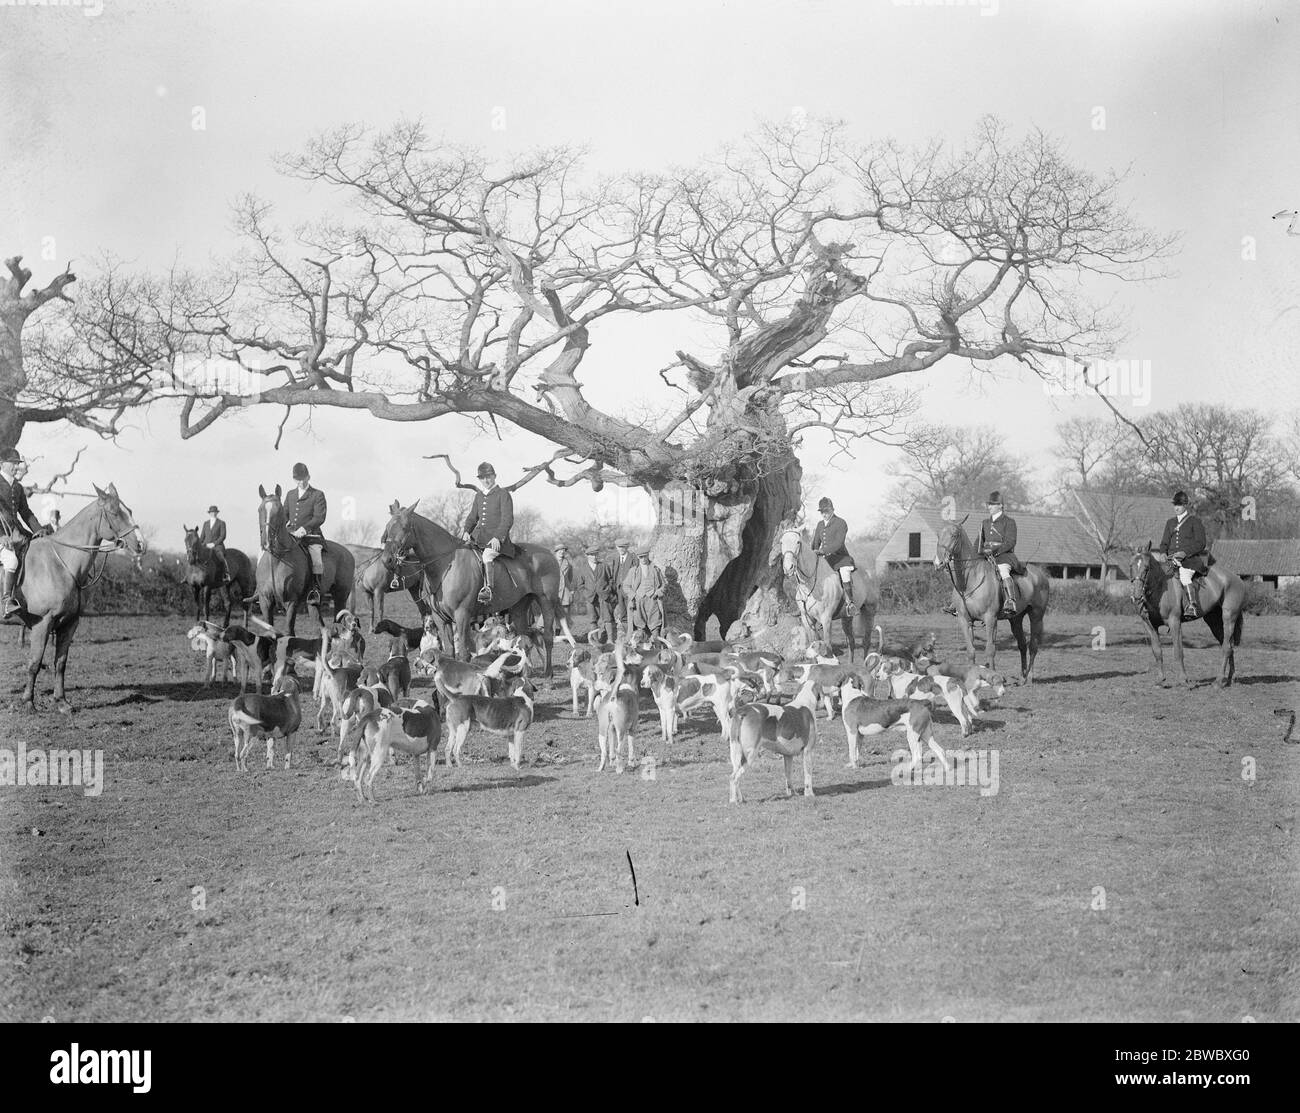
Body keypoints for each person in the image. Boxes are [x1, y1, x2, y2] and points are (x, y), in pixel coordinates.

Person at [461, 462, 515, 605]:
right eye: (482, 478)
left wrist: (498, 537)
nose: (486, 480)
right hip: (479, 537)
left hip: (498, 540)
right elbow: (473, 517)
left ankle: (488, 589)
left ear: (494, 476)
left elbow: (507, 519)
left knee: (486, 556)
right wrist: (466, 531)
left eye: (488, 477)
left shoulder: (503, 494)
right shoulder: (479, 496)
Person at [0, 448, 45, 617]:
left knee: (38, 550)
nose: (16, 466)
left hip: (16, 532)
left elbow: (25, 512)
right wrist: (1, 536)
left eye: (17, 463)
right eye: (12, 463)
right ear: (2, 464)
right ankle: (6, 602)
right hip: (2, 535)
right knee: (11, 560)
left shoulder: (17, 487)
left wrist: (39, 530)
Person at [1155, 490, 1208, 619]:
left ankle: (1192, 606)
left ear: (1185, 506)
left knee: (1184, 577)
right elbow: (1164, 543)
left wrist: (1185, 553)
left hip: (1189, 560)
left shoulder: (1194, 521)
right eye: (1175, 505)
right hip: (1171, 560)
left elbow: (1201, 543)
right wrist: (1162, 553)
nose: (1176, 507)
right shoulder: (1170, 523)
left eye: (1179, 505)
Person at [284, 462, 327, 604]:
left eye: (303, 479)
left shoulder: (317, 494)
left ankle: (315, 590)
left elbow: (319, 517)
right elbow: (285, 514)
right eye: (297, 479)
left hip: (311, 536)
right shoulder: (290, 494)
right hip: (291, 536)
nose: (301, 482)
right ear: (293, 479)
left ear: (309, 477)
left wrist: (304, 528)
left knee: (316, 560)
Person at [974, 491, 1023, 615]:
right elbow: (978, 543)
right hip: (986, 556)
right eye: (988, 504)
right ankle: (960, 603)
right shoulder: (985, 523)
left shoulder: (1009, 522)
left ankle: (1010, 601)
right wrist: (973, 554)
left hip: (1004, 556)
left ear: (1000, 505)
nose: (989, 507)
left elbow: (1010, 542)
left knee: (1003, 571)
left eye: (992, 504)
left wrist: (994, 552)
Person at [811, 497, 856, 607]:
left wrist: (823, 551)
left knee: (845, 573)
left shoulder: (841, 523)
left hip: (840, 558)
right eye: (822, 512)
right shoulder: (820, 525)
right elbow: (816, 542)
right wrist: (812, 553)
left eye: (826, 511)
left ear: (832, 510)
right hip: (825, 560)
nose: (824, 514)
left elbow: (838, 543)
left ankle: (850, 603)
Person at [628, 546, 666, 638]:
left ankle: (657, 647)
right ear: (638, 558)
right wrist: (633, 595)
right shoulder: (633, 571)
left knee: (655, 624)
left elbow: (663, 586)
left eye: (645, 556)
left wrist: (657, 592)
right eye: (641, 557)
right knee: (639, 624)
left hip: (653, 601)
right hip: (638, 602)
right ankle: (642, 648)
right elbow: (626, 586)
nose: (643, 559)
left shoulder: (656, 570)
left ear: (648, 556)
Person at [591, 544, 619, 645]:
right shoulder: (587, 567)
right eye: (592, 555)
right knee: (594, 619)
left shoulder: (604, 566)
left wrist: (607, 592)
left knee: (607, 618)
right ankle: (597, 640)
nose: (594, 557)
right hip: (592, 597)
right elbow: (581, 584)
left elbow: (611, 580)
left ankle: (610, 639)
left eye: (595, 555)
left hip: (604, 596)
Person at [199, 504, 234, 583]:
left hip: (217, 546)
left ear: (217, 513)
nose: (213, 514)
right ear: (209, 513)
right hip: (206, 546)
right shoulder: (206, 523)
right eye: (211, 512)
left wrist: (214, 544)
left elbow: (223, 536)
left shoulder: (221, 523)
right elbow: (202, 537)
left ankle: (226, 574)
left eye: (214, 512)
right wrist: (199, 544)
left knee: (221, 557)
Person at [612, 537, 636, 636]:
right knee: (622, 613)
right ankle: (626, 636)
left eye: (623, 547)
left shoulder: (633, 558)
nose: (621, 549)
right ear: (617, 548)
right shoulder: (616, 559)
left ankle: (634, 635)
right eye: (619, 547)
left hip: (630, 590)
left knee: (632, 612)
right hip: (619, 590)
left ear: (627, 547)